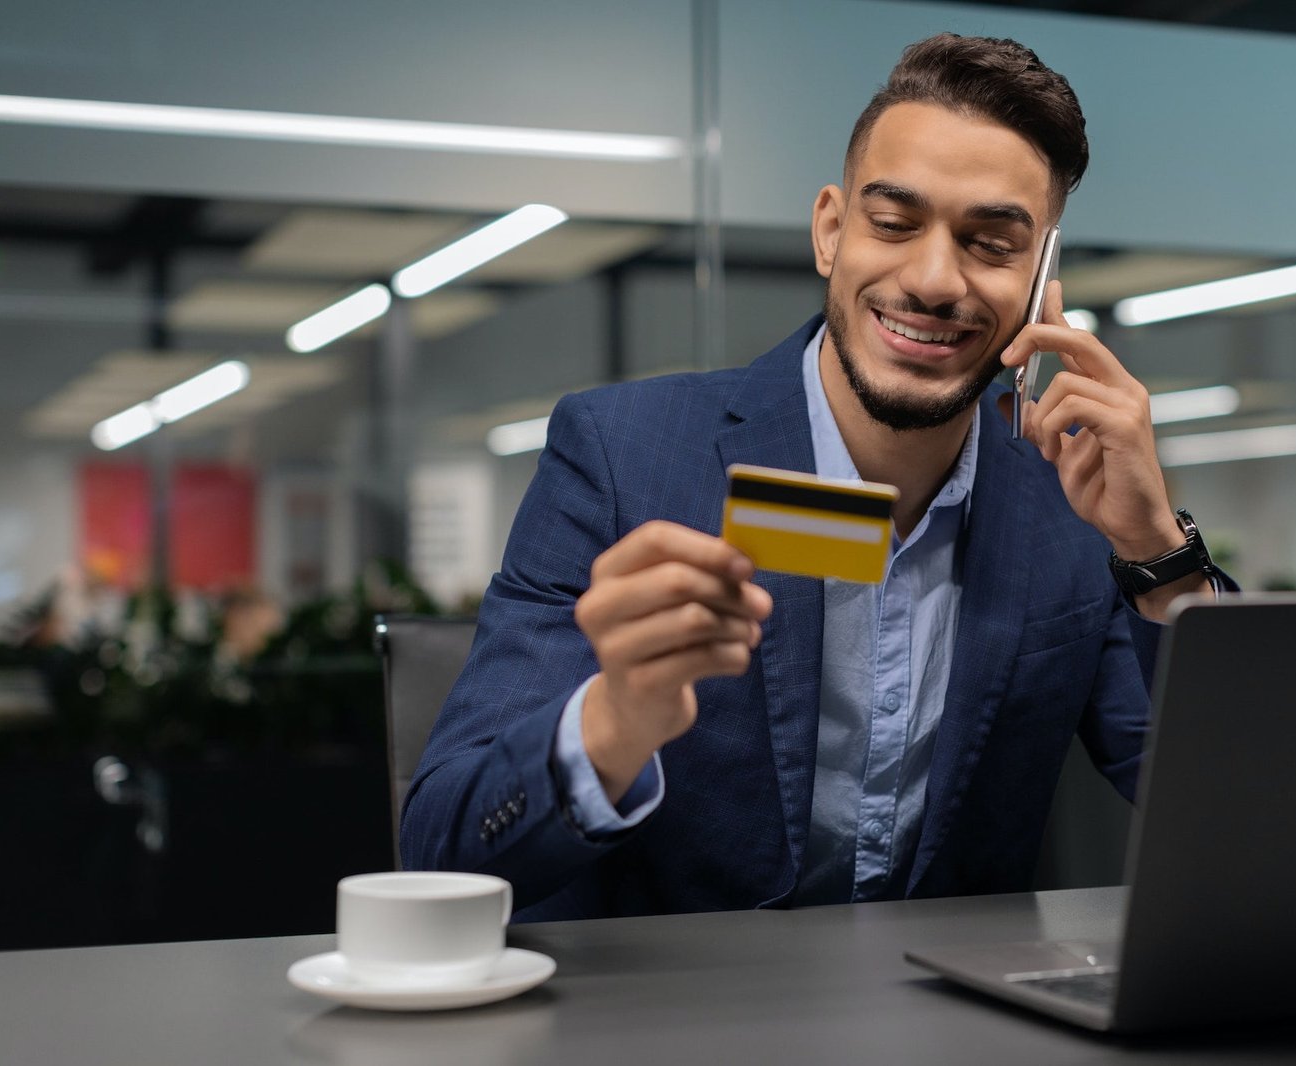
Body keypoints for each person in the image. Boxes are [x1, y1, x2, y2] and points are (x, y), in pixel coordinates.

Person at [401, 33, 1227, 920]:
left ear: (1041, 280)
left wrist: (1156, 556)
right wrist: (614, 723)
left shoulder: (1068, 506)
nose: (933, 278)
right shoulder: (623, 455)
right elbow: (441, 848)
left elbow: (1240, 811)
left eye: (990, 243)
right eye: (894, 223)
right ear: (831, 231)